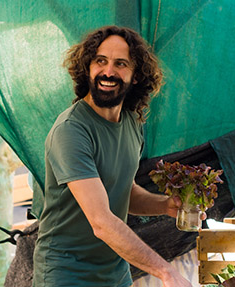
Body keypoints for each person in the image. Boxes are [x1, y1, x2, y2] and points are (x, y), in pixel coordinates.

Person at [32, 26, 196, 287]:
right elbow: (101, 221)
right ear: (87, 68)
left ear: (136, 75)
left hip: (115, 275)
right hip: (67, 276)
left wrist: (165, 205)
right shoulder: (71, 131)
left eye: (121, 64)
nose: (108, 72)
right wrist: (166, 271)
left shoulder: (131, 123)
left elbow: (122, 190)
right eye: (100, 61)